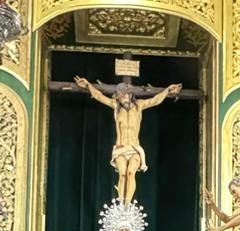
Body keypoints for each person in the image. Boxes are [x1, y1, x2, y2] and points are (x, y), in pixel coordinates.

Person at [73, 76, 182, 204]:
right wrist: (87, 85)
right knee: (123, 174)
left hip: (135, 148)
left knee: (131, 173)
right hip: (121, 148)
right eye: (120, 96)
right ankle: (121, 205)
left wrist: (168, 90)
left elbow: (155, 100)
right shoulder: (116, 106)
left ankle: (127, 205)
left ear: (130, 95)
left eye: (124, 95)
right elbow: (99, 96)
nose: (122, 98)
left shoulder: (139, 106)